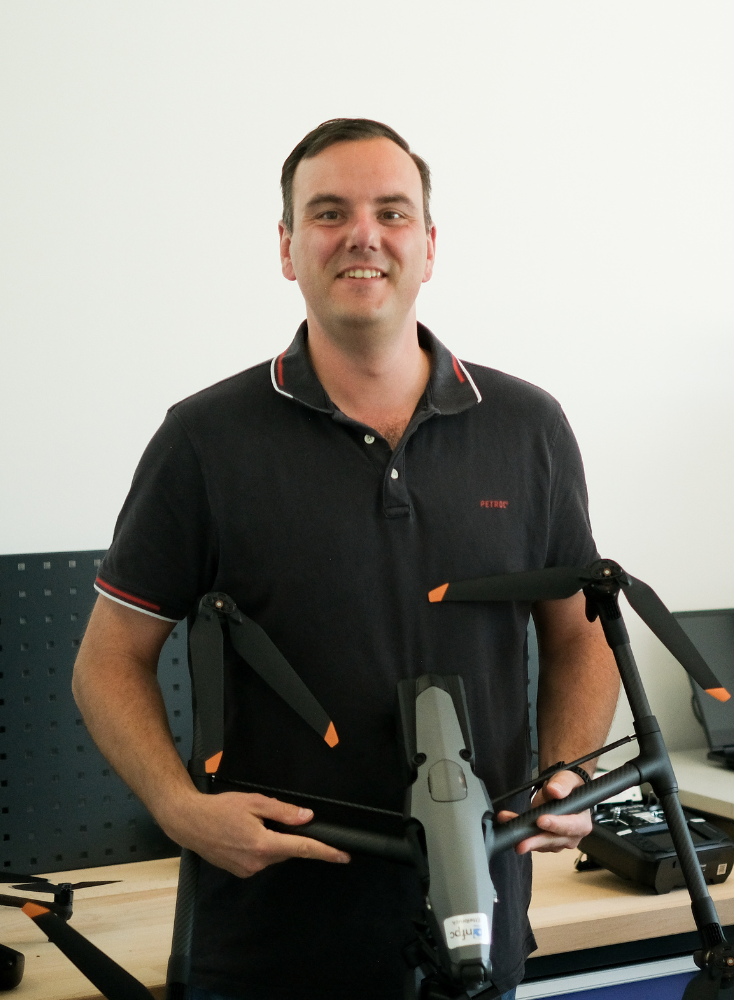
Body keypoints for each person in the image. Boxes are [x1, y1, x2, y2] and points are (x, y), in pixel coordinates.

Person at [70, 118, 620, 1000]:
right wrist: (178, 809)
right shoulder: (204, 440)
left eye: (391, 212)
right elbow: (107, 662)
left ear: (429, 246)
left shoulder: (529, 428)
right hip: (270, 948)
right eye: (329, 213)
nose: (363, 234)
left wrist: (571, 771)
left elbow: (582, 635)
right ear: (288, 247)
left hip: (477, 930)